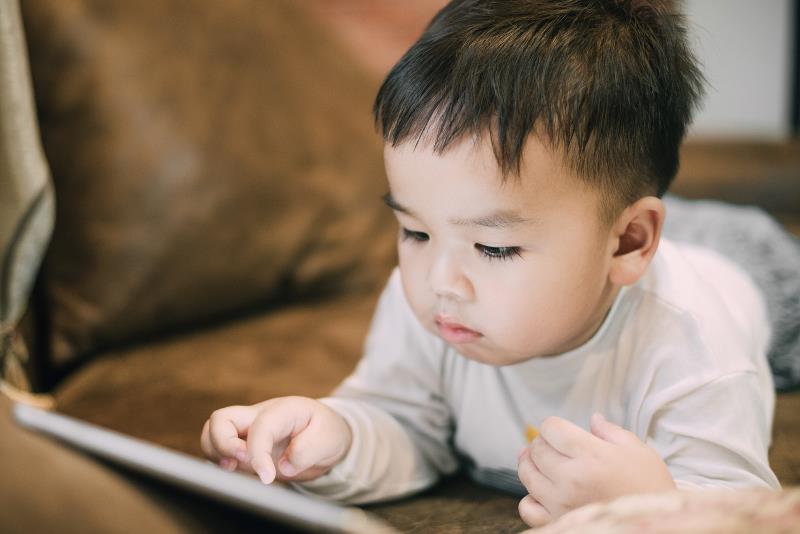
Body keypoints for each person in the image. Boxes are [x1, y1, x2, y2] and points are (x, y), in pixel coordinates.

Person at [200, 0, 781, 527]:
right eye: (414, 230)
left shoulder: (694, 344)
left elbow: (743, 509)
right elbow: (406, 426)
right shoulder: (427, 293)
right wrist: (336, 438)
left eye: (494, 248)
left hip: (752, 270)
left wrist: (650, 504)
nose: (439, 282)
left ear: (629, 243)